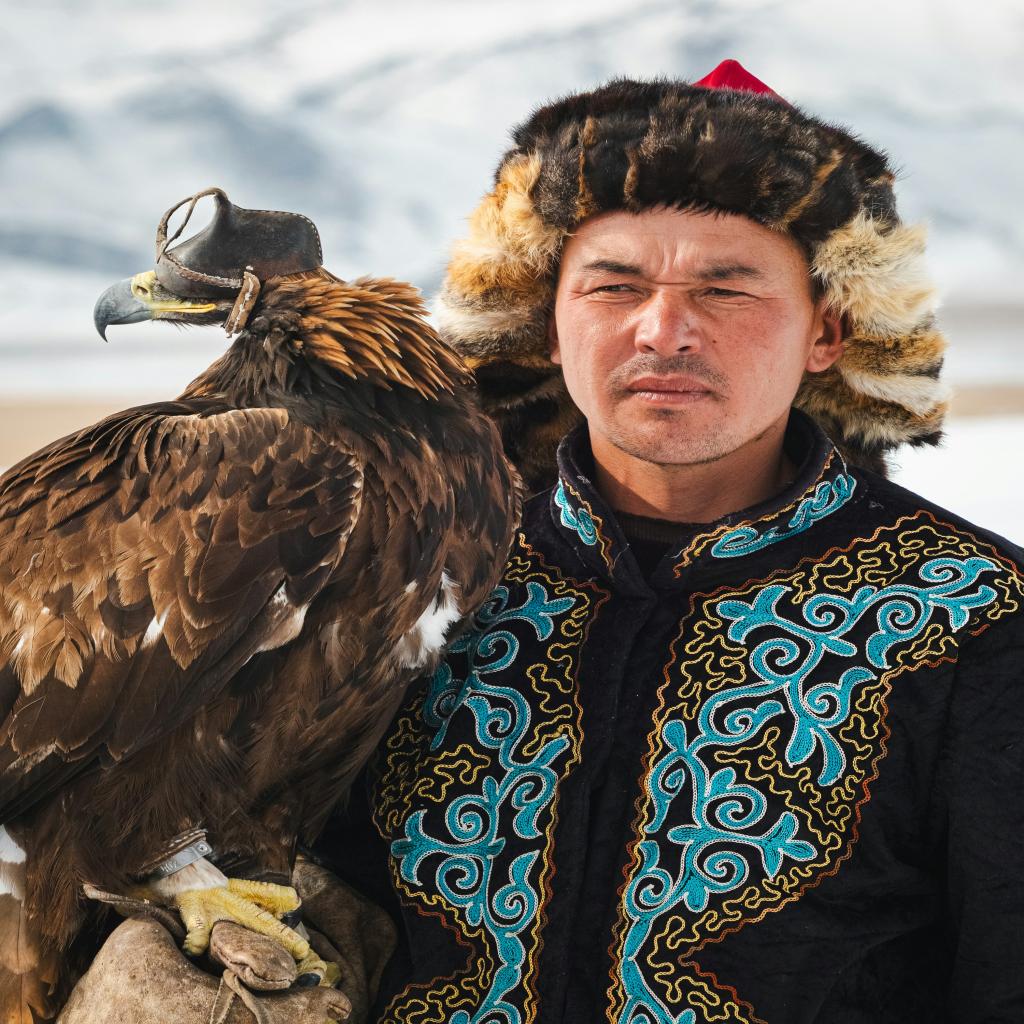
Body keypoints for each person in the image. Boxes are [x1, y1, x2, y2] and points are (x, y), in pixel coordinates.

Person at [60, 60, 1023, 1023]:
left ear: (827, 331)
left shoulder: (975, 615)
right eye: (614, 286)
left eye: (726, 290)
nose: (664, 331)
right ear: (548, 324)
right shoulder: (400, 564)